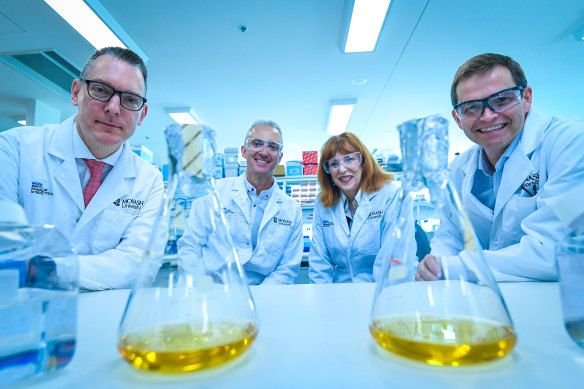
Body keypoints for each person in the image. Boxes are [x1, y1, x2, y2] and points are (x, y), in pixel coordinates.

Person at [0, 47, 166, 290]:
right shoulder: (14, 148)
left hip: (104, 319)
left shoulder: (149, 181)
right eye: (101, 90)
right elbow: (6, 249)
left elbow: (139, 264)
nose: (113, 107)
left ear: (142, 115)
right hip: (21, 315)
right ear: (76, 92)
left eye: (130, 99)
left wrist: (48, 268)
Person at [417, 53, 584, 282]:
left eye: (502, 99)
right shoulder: (459, 169)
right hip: (490, 302)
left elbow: (554, 248)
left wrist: (452, 268)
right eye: (471, 107)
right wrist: (434, 265)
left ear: (526, 98)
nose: (487, 116)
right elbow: (452, 236)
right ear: (458, 119)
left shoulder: (570, 142)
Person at [178, 120, 303, 284]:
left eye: (272, 147)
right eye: (257, 143)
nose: (264, 152)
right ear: (244, 151)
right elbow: (190, 246)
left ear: (280, 157)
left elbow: (286, 268)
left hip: (266, 295)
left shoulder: (292, 210)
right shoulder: (213, 193)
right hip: (216, 291)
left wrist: (262, 298)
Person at [309, 132, 416, 283]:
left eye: (349, 159)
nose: (341, 169)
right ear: (328, 172)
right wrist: (322, 297)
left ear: (363, 162)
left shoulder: (391, 196)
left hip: (381, 291)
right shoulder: (323, 202)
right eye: (334, 163)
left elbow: (392, 259)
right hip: (340, 293)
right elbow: (319, 262)